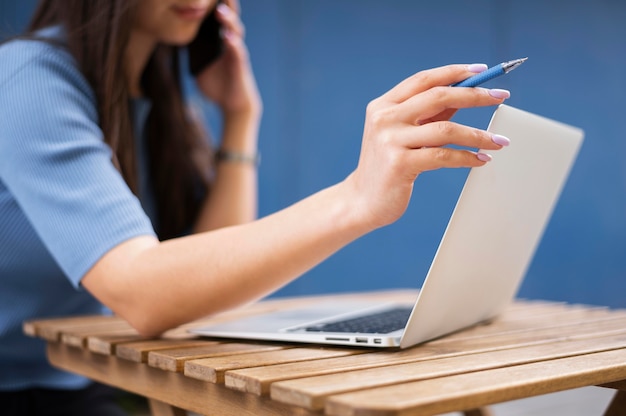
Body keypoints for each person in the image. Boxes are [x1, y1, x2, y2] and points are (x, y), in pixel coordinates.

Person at [0, 0, 511, 414]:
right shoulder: (29, 79)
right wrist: (358, 196)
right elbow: (143, 292)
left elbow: (208, 285)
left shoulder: (154, 95)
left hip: (68, 384)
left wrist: (242, 116)